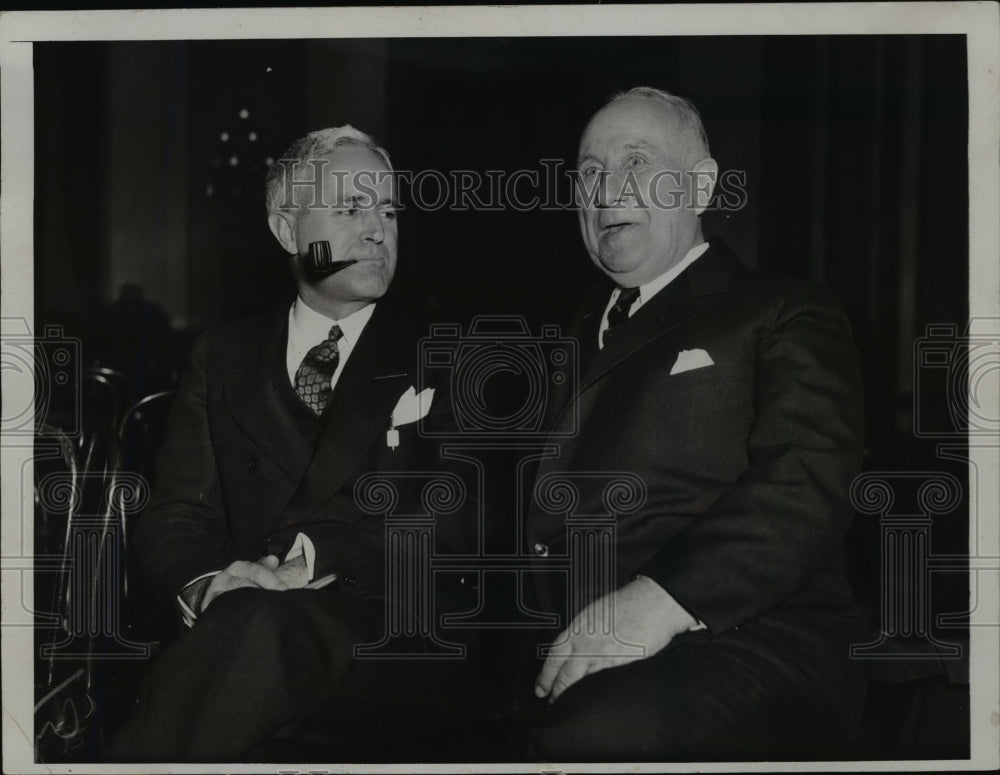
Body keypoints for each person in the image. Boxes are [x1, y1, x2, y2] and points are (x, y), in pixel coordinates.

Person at [105, 126, 478, 762]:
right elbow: (177, 515)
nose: (378, 230)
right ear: (286, 230)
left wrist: (309, 558)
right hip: (235, 635)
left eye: (388, 210)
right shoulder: (221, 356)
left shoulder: (449, 354)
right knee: (245, 624)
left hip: (387, 641)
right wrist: (204, 587)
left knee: (252, 629)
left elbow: (463, 515)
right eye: (352, 208)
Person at [523, 87, 867, 760]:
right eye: (589, 173)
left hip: (750, 642)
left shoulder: (781, 309)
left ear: (700, 185)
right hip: (573, 649)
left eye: (636, 162)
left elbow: (808, 479)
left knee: (589, 735)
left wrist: (657, 601)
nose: (606, 190)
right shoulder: (562, 338)